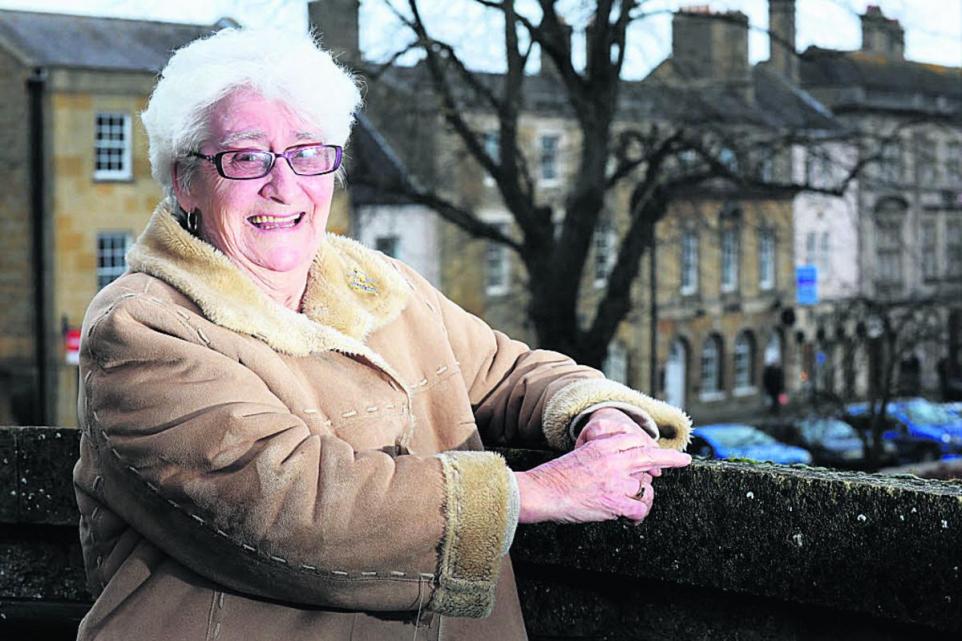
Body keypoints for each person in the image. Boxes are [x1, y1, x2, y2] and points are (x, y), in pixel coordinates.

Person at [72, 27, 692, 641]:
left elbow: (506, 372)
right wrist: (537, 493)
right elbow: (287, 506)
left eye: (309, 153)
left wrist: (598, 417)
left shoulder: (376, 281)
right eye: (245, 156)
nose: (283, 185)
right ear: (186, 181)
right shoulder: (140, 327)